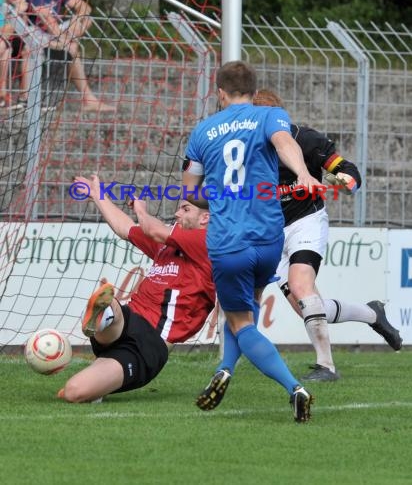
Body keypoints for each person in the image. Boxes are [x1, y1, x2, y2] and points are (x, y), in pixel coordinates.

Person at [197, 88, 403, 411]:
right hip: (266, 231)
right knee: (307, 306)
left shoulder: (303, 141)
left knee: (301, 286)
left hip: (306, 221)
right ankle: (372, 313)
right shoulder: (247, 149)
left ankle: (326, 365)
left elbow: (344, 167)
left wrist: (345, 180)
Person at [182, 60, 320, 423]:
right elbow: (284, 141)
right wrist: (303, 173)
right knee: (249, 305)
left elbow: (189, 191)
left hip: (230, 240)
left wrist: (220, 197)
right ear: (254, 92)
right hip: (269, 239)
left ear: (220, 92)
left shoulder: (203, 131)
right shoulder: (269, 115)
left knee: (241, 321)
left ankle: (295, 388)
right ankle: (224, 370)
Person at [58, 174, 215, 403]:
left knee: (73, 392)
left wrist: (141, 210)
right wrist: (97, 194)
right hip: (128, 321)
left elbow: (153, 229)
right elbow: (126, 229)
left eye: (185, 209)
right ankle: (103, 315)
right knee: (111, 303)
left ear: (205, 218)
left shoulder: (208, 242)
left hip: (150, 344)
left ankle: (102, 323)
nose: (177, 214)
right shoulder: (167, 247)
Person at [24, 0, 114, 112]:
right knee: (72, 48)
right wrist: (65, 40)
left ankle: (88, 99)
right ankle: (88, 99)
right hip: (32, 34)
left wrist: (73, 24)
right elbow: (45, 19)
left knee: (87, 19)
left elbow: (85, 7)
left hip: (54, 33)